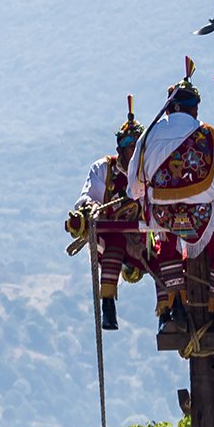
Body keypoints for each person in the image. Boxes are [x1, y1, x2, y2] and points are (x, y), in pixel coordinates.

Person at [127, 58, 214, 333]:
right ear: (194, 108)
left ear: (170, 106)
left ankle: (174, 309)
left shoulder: (148, 135)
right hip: (201, 215)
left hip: (163, 215)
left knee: (165, 249)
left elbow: (134, 187)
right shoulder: (207, 134)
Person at [65, 96, 151, 330]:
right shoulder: (104, 168)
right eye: (130, 147)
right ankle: (108, 304)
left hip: (144, 236)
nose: (135, 153)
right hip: (111, 237)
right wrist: (90, 208)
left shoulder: (152, 170)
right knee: (113, 242)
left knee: (167, 253)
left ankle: (171, 313)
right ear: (120, 149)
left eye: (139, 147)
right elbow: (88, 197)